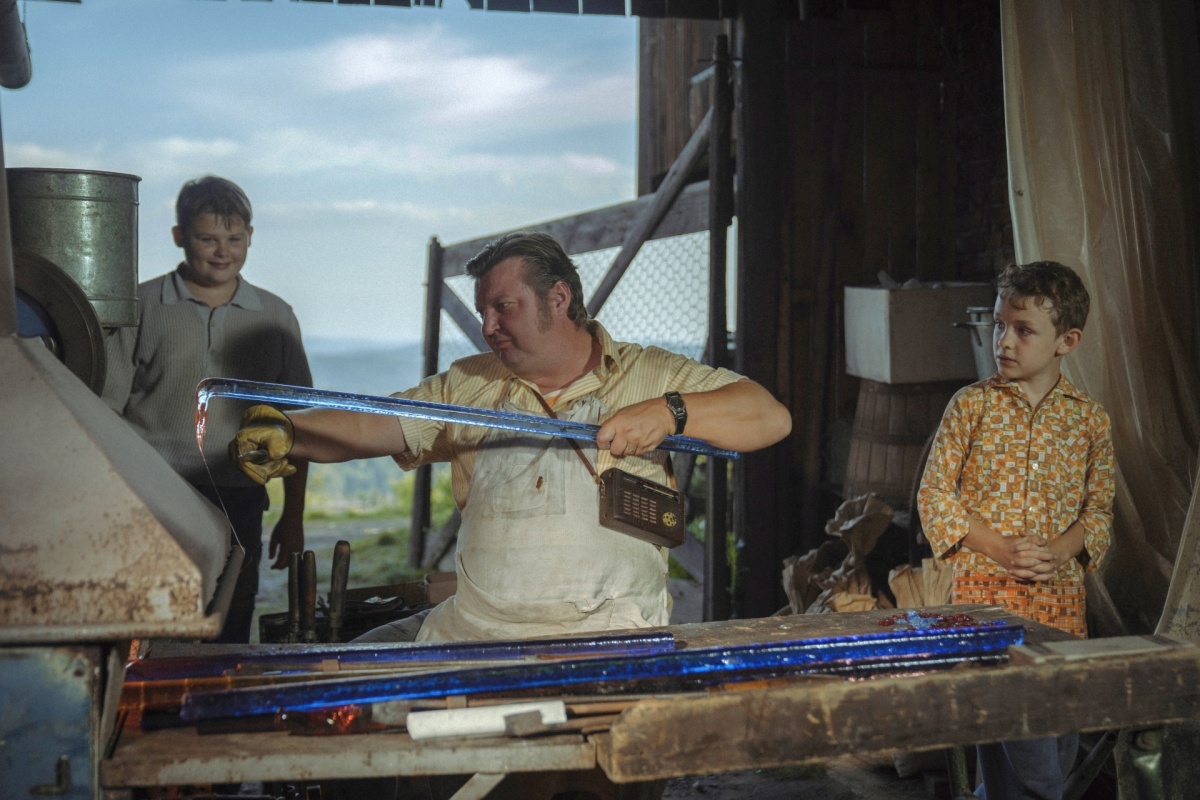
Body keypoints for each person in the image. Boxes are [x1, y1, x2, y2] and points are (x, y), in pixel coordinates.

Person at [230, 231, 792, 643]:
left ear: (558, 299)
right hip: (475, 630)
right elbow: (375, 423)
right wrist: (290, 431)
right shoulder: (470, 384)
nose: (488, 327)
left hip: (609, 634)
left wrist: (672, 412)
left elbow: (769, 417)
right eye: (483, 311)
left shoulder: (648, 373)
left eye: (503, 307)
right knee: (346, 679)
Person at [917, 260, 1115, 799]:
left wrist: (1060, 550)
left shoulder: (1089, 420)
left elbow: (1100, 511)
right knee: (1036, 776)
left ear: (1067, 341)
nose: (1004, 340)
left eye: (1023, 330)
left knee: (1050, 759)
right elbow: (934, 496)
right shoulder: (970, 406)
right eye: (1000, 325)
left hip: (1062, 613)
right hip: (987, 610)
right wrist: (1001, 550)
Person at [103, 175, 312, 644]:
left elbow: (298, 425)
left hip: (239, 497)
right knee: (150, 614)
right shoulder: (140, 306)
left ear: (250, 237)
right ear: (179, 236)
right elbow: (104, 414)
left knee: (231, 616)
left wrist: (293, 515)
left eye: (234, 239)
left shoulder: (276, 316)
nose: (223, 252)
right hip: (152, 496)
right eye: (207, 239)